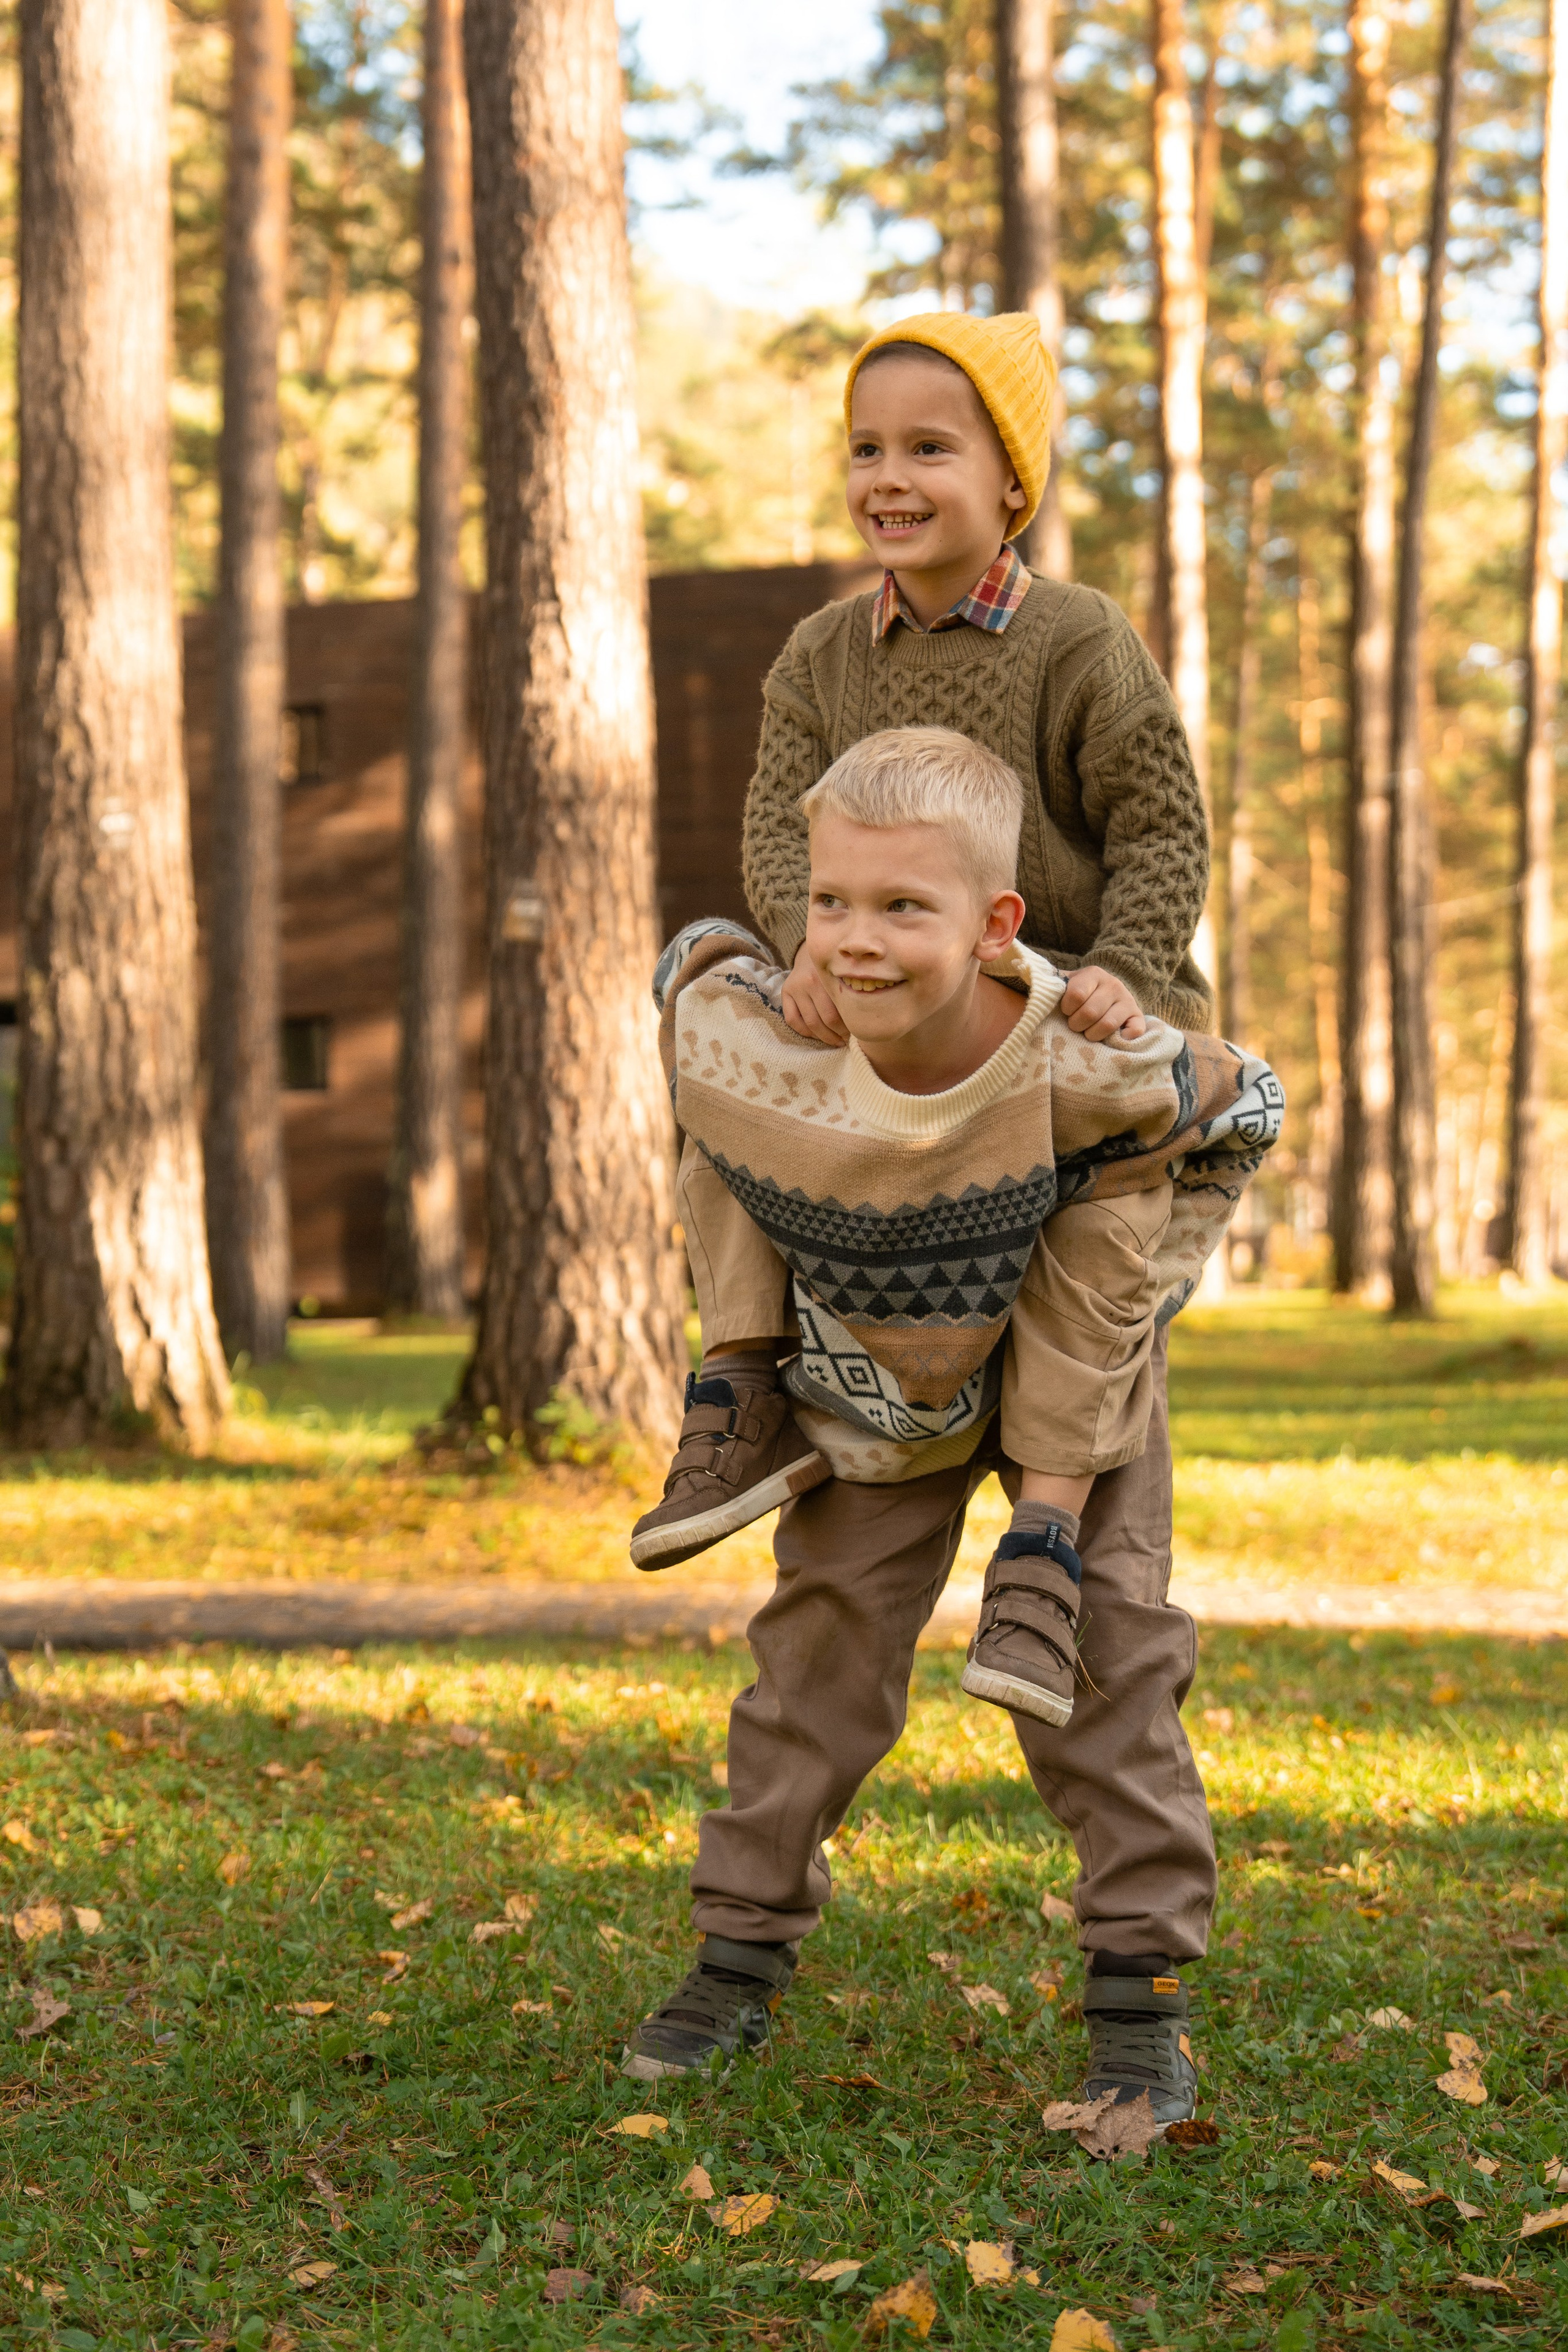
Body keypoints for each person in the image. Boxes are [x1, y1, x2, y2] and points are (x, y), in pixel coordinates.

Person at [622, 728, 1283, 2124]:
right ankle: (735, 1956)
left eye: (902, 908)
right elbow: (691, 980)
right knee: (817, 1654)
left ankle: (1136, 2000)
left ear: (993, 928)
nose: (856, 944)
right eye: (832, 905)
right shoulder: (781, 1040)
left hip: (1067, 1377)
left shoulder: (1070, 1061)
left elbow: (1242, 1102)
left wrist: (1134, 1048)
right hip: (876, 1376)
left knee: (1099, 1650)